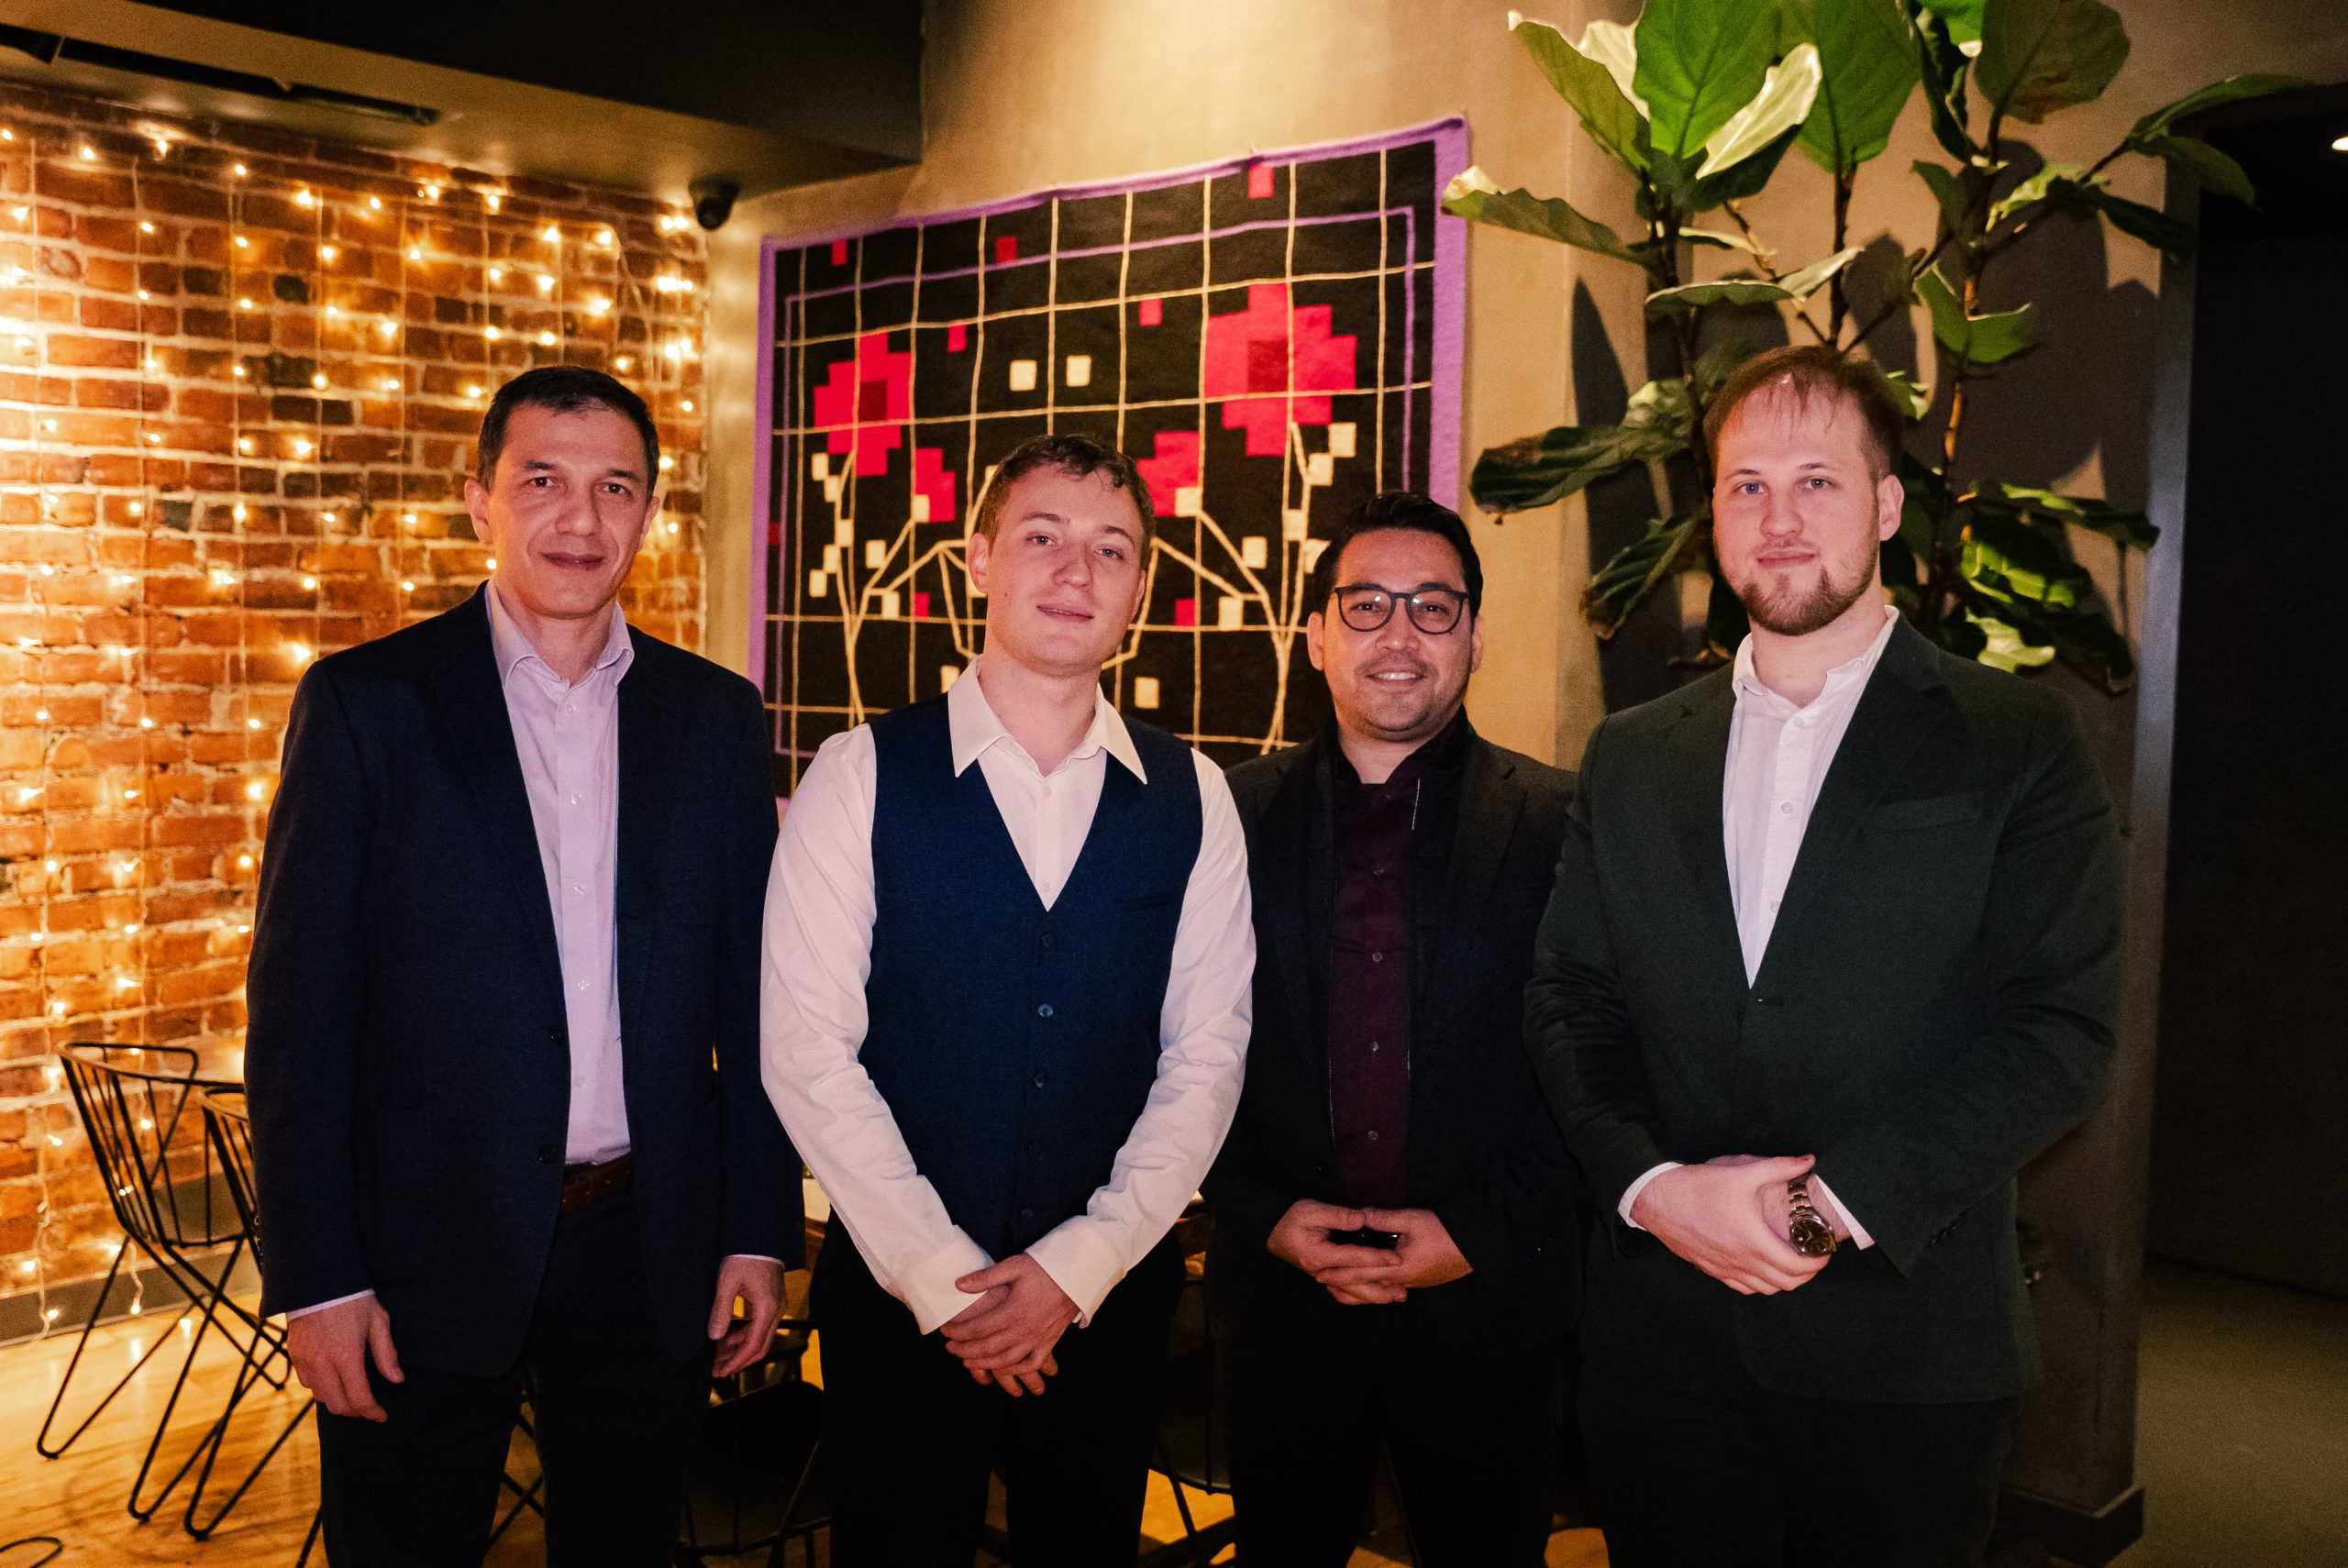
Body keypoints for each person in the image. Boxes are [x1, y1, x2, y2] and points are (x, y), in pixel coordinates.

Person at [1526, 344, 2124, 1567]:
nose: (1779, 518)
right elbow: (1569, 999)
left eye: (1817, 481)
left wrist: (1815, 1212)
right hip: (1662, 1352)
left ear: (1887, 505)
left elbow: (2059, 1030)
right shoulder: (1630, 752)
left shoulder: (2016, 738)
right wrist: (1652, 1190)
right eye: (1746, 486)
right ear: (1713, 516)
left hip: (1904, 1355)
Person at [245, 366, 801, 1567]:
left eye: (616, 487)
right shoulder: (365, 705)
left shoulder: (714, 717)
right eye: (541, 480)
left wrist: (758, 1227)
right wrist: (317, 1277)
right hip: (417, 1247)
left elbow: (757, 998)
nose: (580, 519)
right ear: (478, 499)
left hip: (647, 1246)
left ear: (649, 513)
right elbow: (300, 1021)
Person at [759, 432, 1254, 1567]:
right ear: (977, 559)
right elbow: (806, 1049)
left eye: (1111, 548)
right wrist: (946, 1283)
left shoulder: (1195, 795)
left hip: (1107, 1304)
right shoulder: (859, 774)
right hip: (896, 1306)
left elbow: (1207, 1054)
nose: (1076, 571)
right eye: (1042, 537)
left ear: (1139, 588)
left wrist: (1078, 1267)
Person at [1204, 492, 1580, 1566]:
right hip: (1283, 1301)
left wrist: (1479, 1233)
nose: (1399, 633)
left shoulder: (1564, 822)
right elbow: (1175, 1049)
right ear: (1315, 635)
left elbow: (1597, 1060)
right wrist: (1266, 1213)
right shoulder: (1220, 817)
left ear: (1474, 635)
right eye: (1366, 604)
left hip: (1488, 1304)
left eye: (1432, 606)